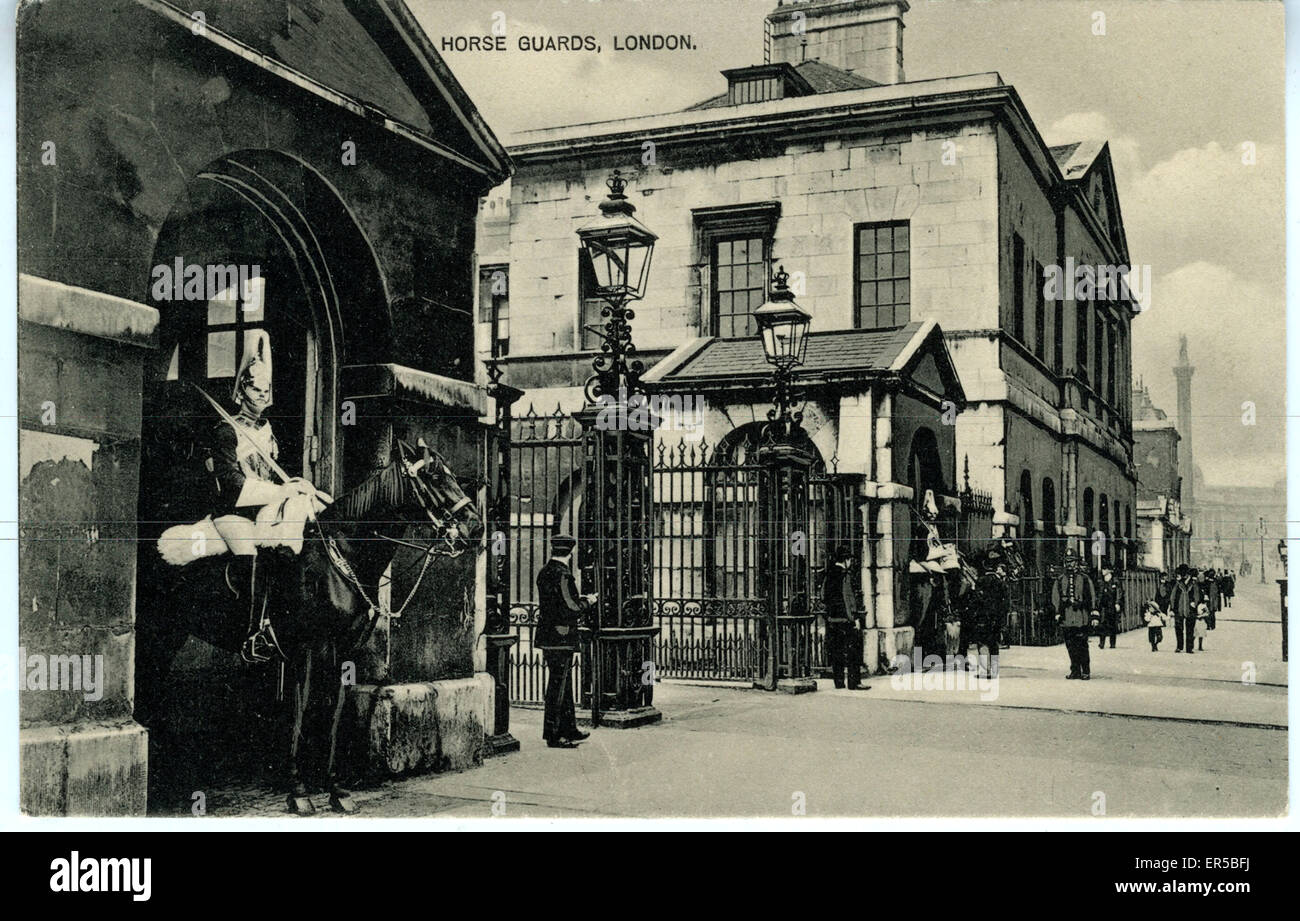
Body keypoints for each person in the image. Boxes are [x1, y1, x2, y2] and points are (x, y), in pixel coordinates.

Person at [206, 331, 331, 663]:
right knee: (252, 554)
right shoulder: (225, 430)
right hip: (232, 512)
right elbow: (232, 483)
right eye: (255, 390)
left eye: (266, 391)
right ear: (242, 390)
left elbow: (274, 473)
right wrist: (279, 490)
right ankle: (251, 634)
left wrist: (295, 483)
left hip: (263, 506)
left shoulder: (267, 430)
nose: (261, 396)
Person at [535, 534, 596, 749]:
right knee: (558, 685)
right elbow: (570, 607)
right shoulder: (562, 574)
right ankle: (554, 735)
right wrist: (588, 602)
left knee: (562, 683)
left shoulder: (545, 572)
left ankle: (569, 728)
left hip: (549, 636)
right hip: (560, 636)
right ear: (570, 553)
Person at [822, 545, 868, 690]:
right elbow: (848, 598)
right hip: (845, 620)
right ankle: (854, 682)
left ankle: (839, 682)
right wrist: (853, 619)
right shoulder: (845, 574)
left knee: (837, 652)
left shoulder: (828, 574)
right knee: (853, 651)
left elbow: (823, 595)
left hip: (832, 619)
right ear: (846, 560)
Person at [1050, 549, 1099, 679]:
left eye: (1072, 561)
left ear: (1077, 563)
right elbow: (1055, 597)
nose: (1070, 564)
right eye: (1067, 561)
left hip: (1081, 617)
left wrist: (1094, 614)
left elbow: (1092, 596)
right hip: (1067, 616)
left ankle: (1086, 671)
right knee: (1070, 646)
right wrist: (1057, 612)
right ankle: (1075, 670)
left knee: (1082, 644)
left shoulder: (1085, 578)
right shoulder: (1060, 580)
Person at [970, 550, 1009, 678]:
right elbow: (1005, 603)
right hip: (996, 618)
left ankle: (984, 670)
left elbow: (975, 601)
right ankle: (994, 670)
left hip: (982, 617)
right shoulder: (1001, 584)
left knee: (982, 643)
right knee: (994, 644)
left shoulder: (980, 582)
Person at [1168, 564, 1201, 654]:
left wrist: (1195, 603)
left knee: (1190, 629)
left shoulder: (1193, 583)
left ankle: (1189, 648)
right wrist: (1172, 608)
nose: (1184, 576)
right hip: (1179, 609)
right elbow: (1173, 597)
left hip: (1191, 609)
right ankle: (1179, 646)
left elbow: (1197, 595)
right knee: (1179, 629)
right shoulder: (1177, 584)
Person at [1096, 561, 1124, 649]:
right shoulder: (1101, 581)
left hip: (1112, 605)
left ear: (1109, 570)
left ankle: (1112, 643)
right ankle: (1102, 643)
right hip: (1103, 606)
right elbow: (1099, 594)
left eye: (1104, 569)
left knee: (1112, 624)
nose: (1103, 571)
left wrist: (1117, 603)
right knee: (1102, 624)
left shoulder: (1115, 581)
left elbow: (1119, 592)